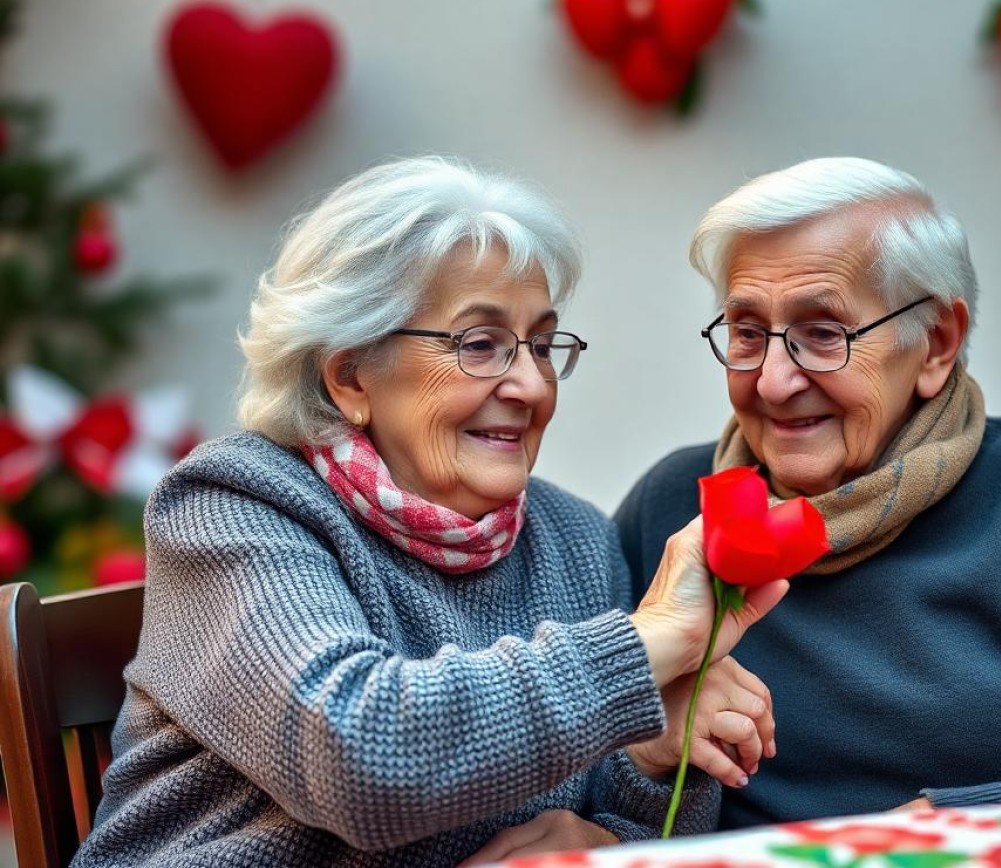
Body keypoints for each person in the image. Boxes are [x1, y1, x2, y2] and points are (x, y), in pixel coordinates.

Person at [73, 157, 787, 867]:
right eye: (481, 345)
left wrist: (634, 794)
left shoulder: (573, 539)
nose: (532, 384)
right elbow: (359, 761)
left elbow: (648, 830)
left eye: (541, 344)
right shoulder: (236, 505)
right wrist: (646, 644)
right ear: (351, 374)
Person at [615, 156, 1001, 830]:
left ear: (936, 345)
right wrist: (635, 768)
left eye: (822, 334)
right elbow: (598, 770)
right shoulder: (669, 508)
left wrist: (930, 832)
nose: (774, 381)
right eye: (748, 332)